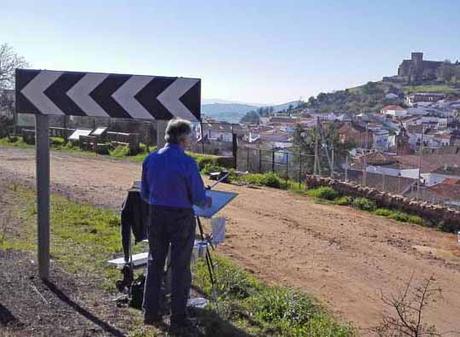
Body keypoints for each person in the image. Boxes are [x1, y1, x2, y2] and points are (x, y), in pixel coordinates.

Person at [141, 118, 211, 331]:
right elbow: (199, 198)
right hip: (181, 217)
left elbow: (145, 193)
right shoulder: (187, 163)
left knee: (155, 261)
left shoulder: (150, 159)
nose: (190, 140)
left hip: (156, 214)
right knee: (180, 266)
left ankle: (150, 312)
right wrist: (206, 199)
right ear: (182, 138)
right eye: (189, 136)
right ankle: (178, 317)